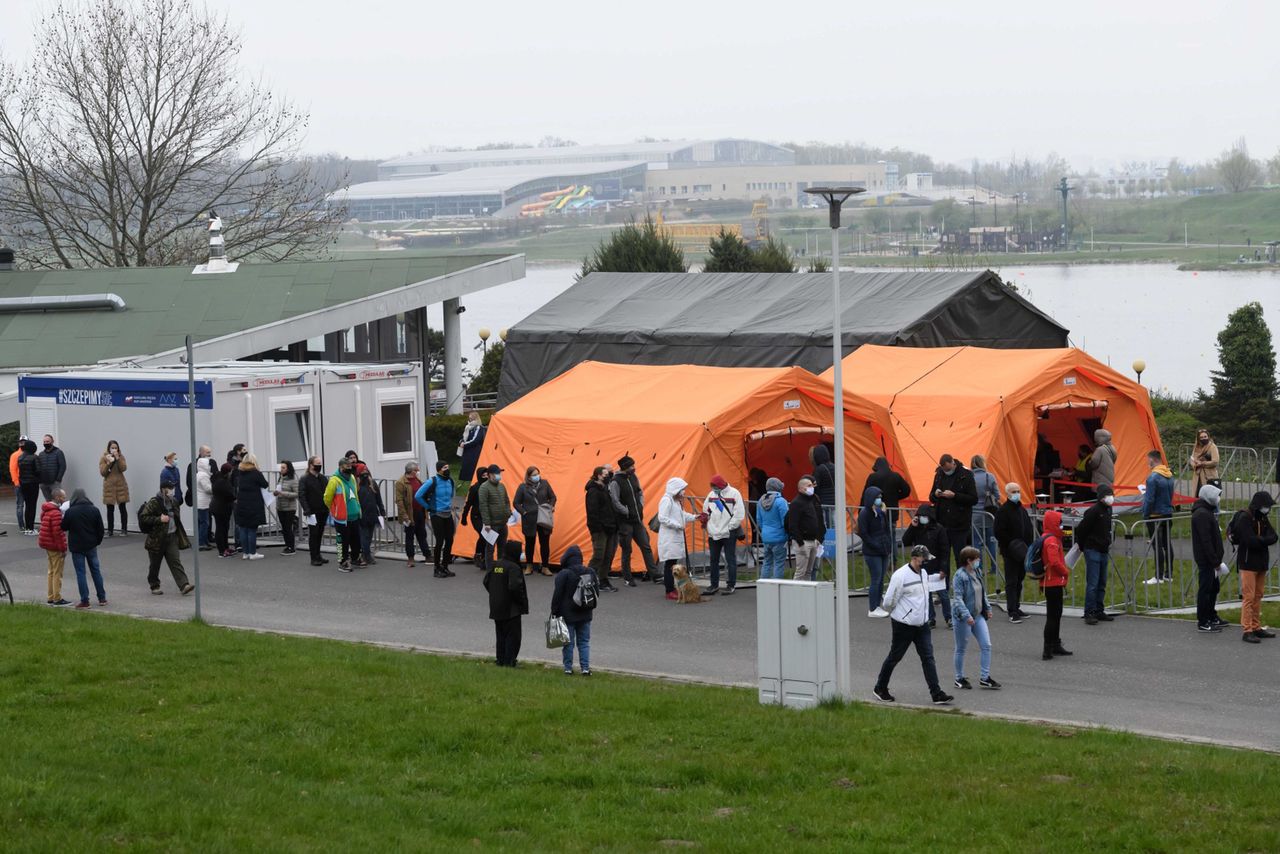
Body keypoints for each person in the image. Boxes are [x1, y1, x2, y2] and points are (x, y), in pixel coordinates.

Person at [872, 544, 954, 705]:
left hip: (922, 625)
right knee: (895, 657)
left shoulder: (923, 573)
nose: (926, 562)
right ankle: (880, 687)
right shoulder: (900, 576)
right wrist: (903, 613)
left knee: (928, 658)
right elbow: (888, 601)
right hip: (903, 625)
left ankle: (936, 693)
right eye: (924, 559)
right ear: (915, 558)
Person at [1230, 491, 1277, 644]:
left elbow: (1274, 536)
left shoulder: (1262, 517)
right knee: (1248, 597)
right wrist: (1264, 540)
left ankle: (1256, 626)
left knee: (1258, 595)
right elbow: (1250, 541)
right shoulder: (1245, 518)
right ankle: (1247, 629)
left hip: (1261, 562)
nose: (1267, 509)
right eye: (1266, 506)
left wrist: (1261, 540)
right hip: (1248, 562)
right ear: (1258, 505)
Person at [951, 545, 1000, 690]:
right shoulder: (960, 576)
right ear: (968, 560)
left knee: (986, 645)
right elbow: (958, 599)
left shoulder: (976, 571)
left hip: (977, 616)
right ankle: (958, 678)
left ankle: (985, 678)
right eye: (977, 558)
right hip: (963, 618)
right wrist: (967, 616)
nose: (979, 561)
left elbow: (982, 592)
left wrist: (988, 608)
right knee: (961, 648)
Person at [138, 476, 195, 596]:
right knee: (155, 564)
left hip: (171, 537)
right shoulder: (154, 502)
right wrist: (159, 519)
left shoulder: (174, 501)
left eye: (173, 488)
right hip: (157, 539)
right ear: (164, 490)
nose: (172, 490)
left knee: (175, 561)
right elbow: (144, 517)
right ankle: (154, 585)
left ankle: (184, 585)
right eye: (170, 488)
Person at [902, 502, 951, 626]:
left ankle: (949, 617)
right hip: (922, 567)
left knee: (943, 594)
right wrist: (912, 526)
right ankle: (931, 618)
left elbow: (945, 550)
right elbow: (905, 541)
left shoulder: (939, 529)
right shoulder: (917, 529)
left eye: (924, 516)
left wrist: (943, 568)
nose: (922, 518)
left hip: (936, 566)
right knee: (926, 594)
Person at [1074, 483, 1115, 625]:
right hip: (1092, 549)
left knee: (1102, 582)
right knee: (1093, 583)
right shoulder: (1093, 511)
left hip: (1103, 550)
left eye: (1111, 495)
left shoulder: (1108, 510)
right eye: (1107, 496)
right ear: (1101, 498)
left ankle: (1099, 609)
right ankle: (1089, 612)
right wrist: (1082, 545)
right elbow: (1081, 530)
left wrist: (1109, 540)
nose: (1111, 498)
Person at [551, 545, 595, 676]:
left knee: (568, 644)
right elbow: (595, 593)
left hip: (567, 615)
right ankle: (585, 669)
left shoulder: (564, 574)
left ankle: (568, 668)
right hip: (585, 614)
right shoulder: (590, 572)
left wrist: (554, 611)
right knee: (584, 642)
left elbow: (557, 595)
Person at [994, 482, 1034, 623]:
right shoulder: (1003, 511)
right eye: (1014, 491)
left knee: (1019, 580)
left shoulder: (1021, 509)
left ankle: (1017, 607)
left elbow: (1028, 527)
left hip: (1023, 551)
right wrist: (1012, 544)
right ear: (1007, 494)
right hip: (1010, 552)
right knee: (1011, 581)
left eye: (1018, 490)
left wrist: (1029, 545)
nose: (1017, 493)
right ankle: (1012, 610)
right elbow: (999, 532)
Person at [930, 454, 977, 575]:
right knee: (942, 558)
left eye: (948, 469)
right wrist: (936, 494)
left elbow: (973, 499)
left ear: (953, 463)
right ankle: (943, 589)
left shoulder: (966, 475)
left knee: (960, 557)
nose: (947, 472)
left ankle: (963, 582)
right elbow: (931, 497)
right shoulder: (939, 474)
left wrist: (955, 496)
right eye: (944, 470)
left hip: (959, 525)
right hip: (942, 524)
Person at [485, 540, 530, 667]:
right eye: (520, 551)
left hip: (496, 606)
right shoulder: (514, 568)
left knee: (500, 635)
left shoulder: (496, 564)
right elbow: (515, 587)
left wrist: (495, 593)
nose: (521, 553)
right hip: (511, 609)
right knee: (513, 637)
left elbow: (486, 581)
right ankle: (510, 661)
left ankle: (500, 659)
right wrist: (521, 601)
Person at [612, 456, 656, 584]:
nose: (633, 468)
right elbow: (615, 500)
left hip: (637, 520)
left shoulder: (633, 477)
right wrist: (626, 511)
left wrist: (641, 504)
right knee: (627, 550)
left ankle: (654, 574)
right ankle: (627, 577)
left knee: (646, 546)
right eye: (631, 466)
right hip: (625, 522)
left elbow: (640, 492)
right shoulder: (616, 481)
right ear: (625, 467)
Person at [1191, 484, 1228, 633]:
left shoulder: (1207, 512)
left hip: (1212, 560)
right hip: (1207, 560)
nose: (1218, 498)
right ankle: (1203, 620)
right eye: (1216, 495)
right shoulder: (1201, 514)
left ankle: (1211, 615)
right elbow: (1206, 541)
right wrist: (1215, 561)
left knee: (1213, 588)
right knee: (1205, 590)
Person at [61, 488, 107, 608]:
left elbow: (63, 527)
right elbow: (100, 529)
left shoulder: (70, 512)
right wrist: (97, 541)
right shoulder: (94, 510)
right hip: (91, 545)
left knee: (81, 573)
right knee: (96, 571)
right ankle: (102, 598)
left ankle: (85, 600)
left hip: (77, 547)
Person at [704, 474, 745, 596]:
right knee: (713, 560)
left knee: (730, 559)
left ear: (720, 486)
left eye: (715, 487)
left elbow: (739, 514)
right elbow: (706, 510)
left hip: (728, 533)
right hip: (714, 533)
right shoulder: (711, 495)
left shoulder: (734, 493)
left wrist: (729, 528)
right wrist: (709, 526)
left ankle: (731, 584)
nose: (713, 489)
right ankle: (713, 584)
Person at [657, 477, 698, 599]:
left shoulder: (676, 502)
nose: (683, 492)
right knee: (670, 563)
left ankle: (672, 588)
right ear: (675, 489)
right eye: (682, 490)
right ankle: (669, 590)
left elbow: (682, 515)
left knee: (673, 562)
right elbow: (662, 518)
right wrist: (677, 525)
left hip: (675, 536)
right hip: (669, 536)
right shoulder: (666, 500)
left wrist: (696, 517)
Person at [415, 460, 457, 578]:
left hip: (448, 513)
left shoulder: (450, 481)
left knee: (450, 540)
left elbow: (450, 496)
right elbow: (418, 495)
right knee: (440, 541)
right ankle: (436, 568)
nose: (447, 469)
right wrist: (429, 507)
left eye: (448, 467)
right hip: (436, 514)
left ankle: (445, 566)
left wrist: (450, 506)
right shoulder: (432, 481)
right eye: (444, 468)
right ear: (439, 469)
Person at [1040, 509, 1072, 660]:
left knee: (1055, 615)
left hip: (1049, 581)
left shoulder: (1046, 537)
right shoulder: (1052, 541)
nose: (1061, 526)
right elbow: (1054, 562)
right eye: (1059, 523)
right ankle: (1048, 648)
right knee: (1053, 616)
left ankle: (1054, 644)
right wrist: (1065, 571)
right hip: (1053, 582)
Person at [514, 465, 557, 576]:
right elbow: (516, 503)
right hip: (529, 519)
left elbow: (553, 497)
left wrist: (551, 506)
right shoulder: (522, 487)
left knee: (545, 543)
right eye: (534, 475)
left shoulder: (545, 484)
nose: (537, 476)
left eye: (537, 474)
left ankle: (545, 566)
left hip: (543, 518)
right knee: (530, 543)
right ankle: (529, 566)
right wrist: (524, 512)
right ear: (528, 476)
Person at [1140, 450, 1175, 584]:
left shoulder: (1152, 478)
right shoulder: (1170, 475)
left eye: (1148, 460)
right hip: (1167, 513)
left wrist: (1145, 514)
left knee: (1157, 545)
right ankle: (1169, 574)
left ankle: (1158, 576)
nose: (1147, 463)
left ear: (1152, 460)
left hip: (1154, 515)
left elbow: (1149, 500)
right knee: (1167, 544)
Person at [324, 456, 363, 571]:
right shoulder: (334, 481)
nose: (350, 468)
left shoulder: (351, 477)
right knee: (343, 541)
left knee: (356, 539)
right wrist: (334, 510)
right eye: (347, 466)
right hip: (342, 518)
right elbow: (327, 498)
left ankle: (355, 558)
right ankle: (343, 562)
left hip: (354, 516)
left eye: (351, 466)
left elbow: (354, 494)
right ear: (341, 467)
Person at [858, 486, 893, 613]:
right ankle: (873, 608)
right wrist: (875, 545)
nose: (880, 499)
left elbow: (886, 530)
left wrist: (888, 545)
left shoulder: (880, 513)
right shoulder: (864, 514)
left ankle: (878, 605)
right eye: (877, 497)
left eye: (880, 497)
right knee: (876, 579)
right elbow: (864, 534)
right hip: (872, 552)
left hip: (883, 550)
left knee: (881, 579)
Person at [584, 465, 619, 592]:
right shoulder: (593, 491)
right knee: (599, 555)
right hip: (600, 529)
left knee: (608, 555)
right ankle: (586, 580)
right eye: (605, 474)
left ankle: (603, 580)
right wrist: (597, 528)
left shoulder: (605, 489)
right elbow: (592, 512)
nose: (608, 476)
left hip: (610, 527)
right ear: (598, 475)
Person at [784, 476, 825, 581]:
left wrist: (818, 539)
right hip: (803, 542)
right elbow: (793, 524)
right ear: (801, 488)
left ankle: (807, 593)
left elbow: (817, 519)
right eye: (809, 486)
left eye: (812, 485)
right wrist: (800, 542)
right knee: (800, 571)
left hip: (813, 540)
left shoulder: (811, 500)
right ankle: (796, 594)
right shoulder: (796, 503)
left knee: (809, 571)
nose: (812, 488)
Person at [233, 453, 269, 560]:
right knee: (252, 529)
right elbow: (265, 484)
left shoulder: (240, 472)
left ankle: (246, 553)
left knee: (243, 528)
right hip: (254, 503)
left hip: (242, 503)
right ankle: (253, 553)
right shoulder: (256, 473)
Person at [864, 456, 912, 534]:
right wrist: (896, 496)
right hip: (892, 513)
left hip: (876, 512)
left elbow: (866, 494)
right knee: (892, 537)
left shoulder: (873, 477)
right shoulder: (896, 476)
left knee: (877, 536)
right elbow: (907, 490)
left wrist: (861, 511)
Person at [396, 462, 431, 569]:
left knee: (422, 534)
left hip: (419, 511)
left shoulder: (417, 480)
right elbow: (399, 500)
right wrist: (405, 515)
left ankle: (427, 555)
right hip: (409, 513)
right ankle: (410, 558)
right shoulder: (400, 482)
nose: (418, 471)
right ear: (411, 471)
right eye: (416, 470)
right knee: (409, 536)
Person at [477, 463, 511, 571]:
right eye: (497, 473)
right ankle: (490, 570)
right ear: (490, 475)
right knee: (490, 548)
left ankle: (500, 569)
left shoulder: (502, 486)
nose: (499, 475)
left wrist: (508, 512)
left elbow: (506, 501)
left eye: (499, 473)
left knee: (502, 547)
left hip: (502, 522)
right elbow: (483, 505)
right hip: (491, 524)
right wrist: (487, 523)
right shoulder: (484, 487)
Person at [38, 487, 69, 606]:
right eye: (63, 497)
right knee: (57, 572)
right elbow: (58, 533)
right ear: (57, 497)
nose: (64, 499)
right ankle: (57, 598)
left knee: (51, 571)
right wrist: (63, 548)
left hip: (47, 544)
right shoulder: (56, 513)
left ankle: (50, 596)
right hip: (54, 546)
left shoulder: (46, 510)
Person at [969, 455, 1001, 567]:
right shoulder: (990, 476)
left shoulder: (969, 477)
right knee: (991, 542)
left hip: (974, 514)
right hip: (989, 513)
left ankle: (979, 566)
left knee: (976, 542)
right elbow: (998, 495)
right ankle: (994, 566)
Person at [298, 456, 330, 567]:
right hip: (312, 512)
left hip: (323, 510)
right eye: (317, 463)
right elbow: (302, 495)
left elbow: (328, 492)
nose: (319, 465)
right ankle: (314, 557)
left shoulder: (322, 478)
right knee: (314, 534)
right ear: (311, 465)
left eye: (320, 463)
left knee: (320, 533)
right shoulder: (305, 479)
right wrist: (307, 510)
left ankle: (318, 555)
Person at [756, 477, 789, 581]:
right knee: (779, 563)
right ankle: (776, 587)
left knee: (767, 562)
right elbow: (786, 520)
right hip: (779, 537)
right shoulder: (781, 501)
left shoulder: (760, 501)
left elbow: (758, 519)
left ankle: (763, 585)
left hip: (766, 537)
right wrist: (788, 534)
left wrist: (764, 531)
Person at [460, 466, 491, 566]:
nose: (485, 477)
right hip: (477, 517)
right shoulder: (475, 488)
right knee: (483, 535)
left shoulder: (491, 486)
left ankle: (485, 557)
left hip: (487, 516)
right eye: (483, 475)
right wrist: (464, 517)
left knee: (488, 536)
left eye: (487, 475)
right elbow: (468, 504)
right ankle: (478, 555)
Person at [99, 439, 130, 537]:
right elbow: (103, 473)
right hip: (109, 485)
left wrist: (118, 458)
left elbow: (123, 468)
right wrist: (109, 462)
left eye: (116, 448)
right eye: (112, 448)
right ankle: (110, 530)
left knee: (122, 508)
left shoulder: (121, 457)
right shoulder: (104, 458)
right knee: (110, 509)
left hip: (120, 484)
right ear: (109, 448)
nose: (114, 449)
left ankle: (124, 529)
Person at [356, 468, 385, 566]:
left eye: (366, 472)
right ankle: (367, 555)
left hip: (372, 514)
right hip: (361, 515)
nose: (365, 474)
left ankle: (365, 554)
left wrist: (382, 511)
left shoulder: (373, 484)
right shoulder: (356, 485)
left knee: (369, 536)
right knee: (364, 536)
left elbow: (378, 499)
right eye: (362, 473)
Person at [210, 462, 236, 557]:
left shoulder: (218, 478)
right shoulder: (223, 482)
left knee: (224, 528)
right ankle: (222, 550)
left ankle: (225, 547)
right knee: (221, 529)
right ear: (228, 472)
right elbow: (230, 494)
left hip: (218, 507)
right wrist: (235, 498)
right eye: (231, 471)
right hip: (221, 508)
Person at [274, 460, 299, 555]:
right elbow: (279, 489)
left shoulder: (293, 480)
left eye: (283, 468)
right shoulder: (280, 478)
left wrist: (283, 493)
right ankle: (287, 545)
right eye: (281, 467)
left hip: (289, 508)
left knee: (288, 527)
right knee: (284, 527)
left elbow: (297, 494)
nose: (281, 469)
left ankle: (291, 547)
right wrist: (275, 493)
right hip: (280, 507)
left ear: (288, 469)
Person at [17, 439, 41, 534]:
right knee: (32, 505)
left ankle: (27, 528)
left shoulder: (20, 458)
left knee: (27, 505)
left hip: (23, 484)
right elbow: (38, 471)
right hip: (33, 484)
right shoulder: (34, 457)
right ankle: (31, 529)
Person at [1189, 428, 1220, 495]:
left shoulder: (1212, 446)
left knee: (1210, 497)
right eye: (1201, 437)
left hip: (1209, 476)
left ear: (1208, 437)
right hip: (1197, 476)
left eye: (1205, 437)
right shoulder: (1196, 447)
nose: (1203, 438)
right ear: (1198, 438)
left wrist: (1202, 463)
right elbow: (1192, 459)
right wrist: (1195, 464)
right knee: (1197, 495)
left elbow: (1215, 461)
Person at [457, 411, 486, 483]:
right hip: (467, 451)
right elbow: (464, 437)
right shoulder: (468, 427)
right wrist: (461, 442)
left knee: (473, 468)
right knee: (467, 468)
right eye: (470, 418)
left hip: (474, 451)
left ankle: (474, 481)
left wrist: (465, 444)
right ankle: (468, 481)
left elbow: (475, 440)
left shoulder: (479, 427)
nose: (470, 419)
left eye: (472, 418)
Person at [37, 433, 67, 502]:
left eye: (47, 441)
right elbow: (39, 467)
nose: (46, 443)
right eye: (44, 442)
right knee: (49, 502)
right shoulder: (41, 454)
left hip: (54, 483)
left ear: (52, 441)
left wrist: (58, 479)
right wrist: (40, 481)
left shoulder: (58, 452)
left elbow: (63, 466)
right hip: (44, 483)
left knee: (59, 501)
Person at [809, 444, 836, 517]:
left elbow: (815, 487)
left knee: (825, 525)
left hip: (824, 502)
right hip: (835, 502)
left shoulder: (819, 469)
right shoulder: (834, 466)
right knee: (834, 525)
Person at [195, 457, 213, 550]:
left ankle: (203, 541)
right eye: (208, 464)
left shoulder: (198, 474)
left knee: (201, 523)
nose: (209, 466)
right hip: (203, 502)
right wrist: (215, 488)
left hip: (199, 502)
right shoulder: (203, 476)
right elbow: (208, 489)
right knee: (204, 523)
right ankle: (202, 543)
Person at [9, 435, 26, 533]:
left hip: (29, 483)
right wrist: (16, 482)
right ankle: (21, 526)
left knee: (30, 505)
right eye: (20, 442)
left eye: (23, 441)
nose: (21, 443)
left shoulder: (32, 454)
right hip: (19, 484)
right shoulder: (15, 455)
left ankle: (29, 526)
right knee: (20, 505)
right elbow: (12, 470)